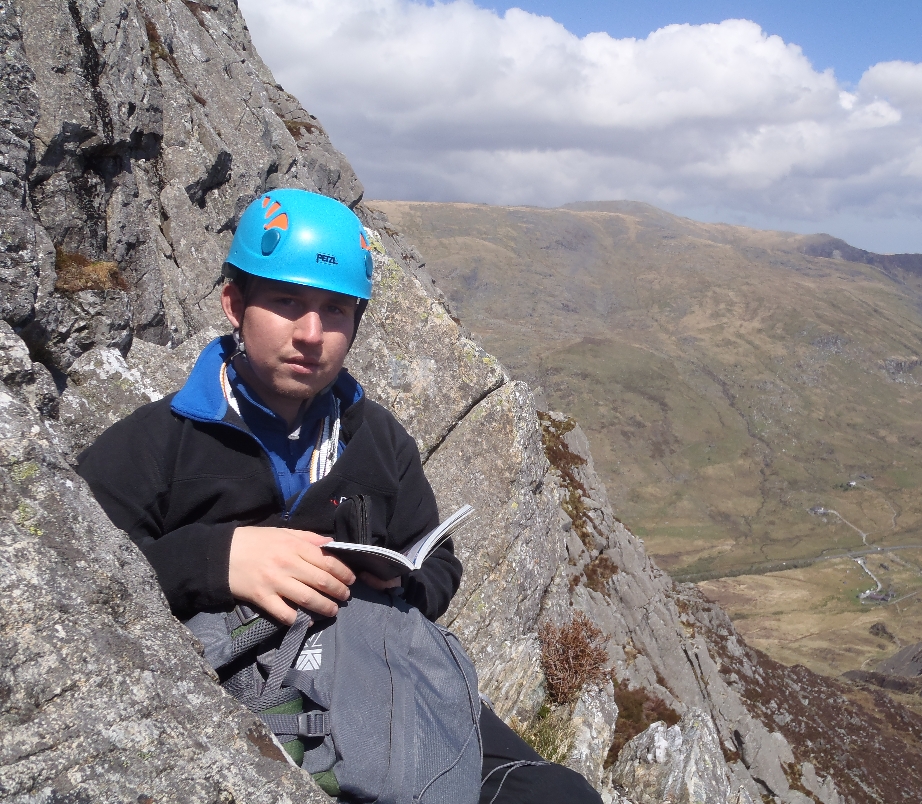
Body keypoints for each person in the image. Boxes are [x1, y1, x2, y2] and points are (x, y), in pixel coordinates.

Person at [77, 189, 601, 804]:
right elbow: (79, 578)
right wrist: (217, 561)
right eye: (286, 301)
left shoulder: (376, 440)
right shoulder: (157, 444)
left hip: (372, 668)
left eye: (336, 310)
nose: (311, 333)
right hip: (243, 682)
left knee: (553, 795)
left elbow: (439, 562)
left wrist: (397, 583)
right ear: (234, 304)